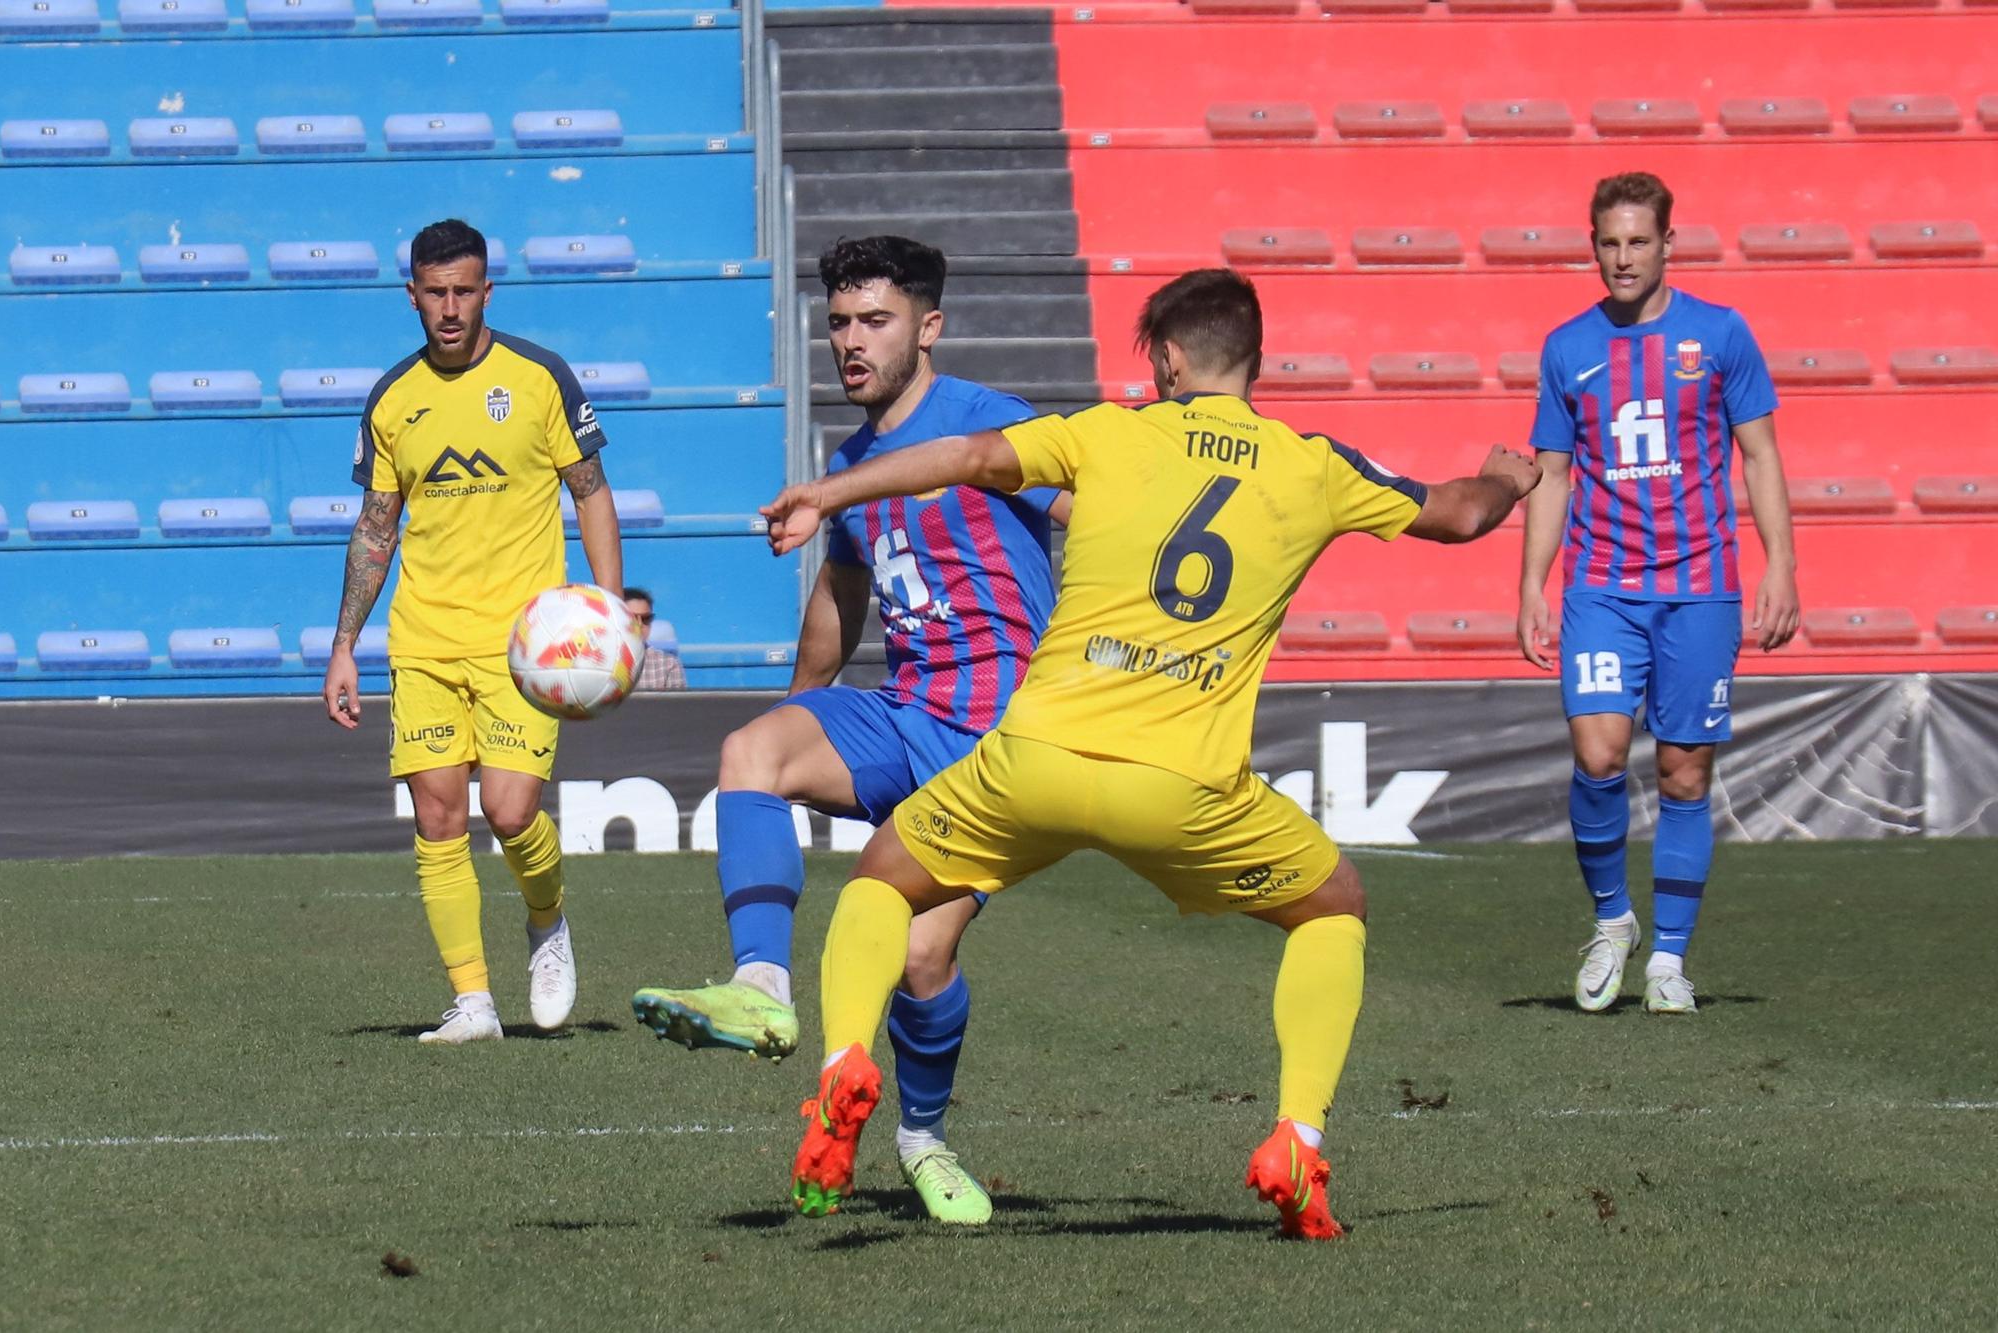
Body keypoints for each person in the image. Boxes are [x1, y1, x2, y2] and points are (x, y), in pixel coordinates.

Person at [761, 268, 1538, 1239]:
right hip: (1182, 786)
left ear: (1165, 360)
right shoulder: (1310, 465)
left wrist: (825, 489)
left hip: (1036, 756)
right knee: (1332, 902)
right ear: (1255, 357)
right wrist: (1510, 474)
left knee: (881, 881)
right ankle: (1295, 1138)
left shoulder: (1105, 431)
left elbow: (958, 454)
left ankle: (843, 1062)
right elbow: (1457, 512)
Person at [632, 236, 1067, 1224]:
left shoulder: (992, 425)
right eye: (837, 322)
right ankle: (759, 988)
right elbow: (838, 601)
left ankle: (919, 1136)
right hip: (905, 712)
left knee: (921, 959)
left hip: (998, 748)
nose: (850, 342)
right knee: (751, 750)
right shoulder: (848, 464)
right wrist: (799, 712)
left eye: (875, 320)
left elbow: (1099, 505)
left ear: (929, 326)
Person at [322, 217, 622, 1044]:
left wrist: (607, 604)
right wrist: (345, 644)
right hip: (423, 640)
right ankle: (474, 1001)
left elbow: (591, 490)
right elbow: (375, 526)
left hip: (525, 642)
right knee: (440, 816)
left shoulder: (539, 378)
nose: (450, 307)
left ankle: (548, 920)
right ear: (411, 295)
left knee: (513, 808)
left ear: (487, 291)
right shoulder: (392, 398)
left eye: (464, 291)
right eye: (435, 292)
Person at [1517, 172, 1800, 1017]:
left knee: (1683, 771)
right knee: (1599, 754)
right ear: (1592, 244)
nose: (1622, 257)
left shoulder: (1720, 334)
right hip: (1601, 584)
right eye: (1608, 242)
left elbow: (1760, 455)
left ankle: (1670, 957)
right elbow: (1554, 476)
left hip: (1701, 588)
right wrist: (1532, 581)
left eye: (1639, 241)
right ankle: (1614, 922)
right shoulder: (1567, 347)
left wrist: (1780, 564)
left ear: (1669, 244)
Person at [623, 587, 688, 691]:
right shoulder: (600, 661)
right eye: (633, 618)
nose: (640, 624)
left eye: (646, 618)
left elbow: (679, 706)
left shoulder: (667, 664)